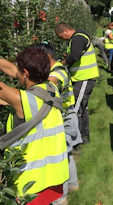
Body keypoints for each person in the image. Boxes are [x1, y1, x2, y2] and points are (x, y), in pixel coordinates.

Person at [0, 48, 69, 204]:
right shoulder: (52, 90)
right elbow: (11, 69)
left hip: (30, 187)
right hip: (55, 179)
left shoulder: (22, 100)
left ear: (25, 72)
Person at [32, 42, 81, 203]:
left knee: (58, 158)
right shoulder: (55, 68)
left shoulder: (58, 71)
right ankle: (73, 184)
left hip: (65, 118)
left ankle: (61, 197)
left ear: (46, 57)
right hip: (65, 116)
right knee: (65, 153)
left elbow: (50, 84)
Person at [55, 22, 99, 145]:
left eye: (60, 36)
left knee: (76, 109)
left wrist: (60, 64)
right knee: (83, 109)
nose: (61, 39)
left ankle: (76, 140)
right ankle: (84, 137)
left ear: (65, 31)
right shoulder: (78, 38)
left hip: (84, 78)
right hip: (81, 79)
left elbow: (74, 56)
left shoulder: (78, 38)